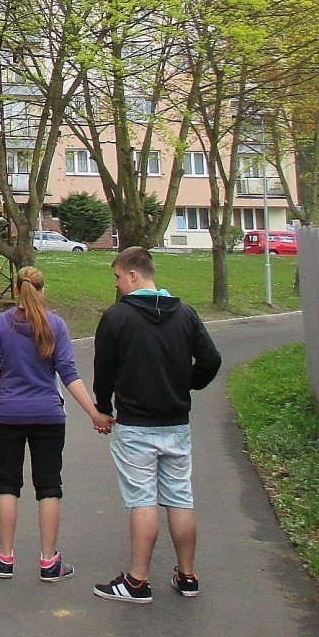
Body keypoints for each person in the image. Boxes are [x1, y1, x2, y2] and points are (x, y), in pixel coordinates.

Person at [92, 246, 222, 603]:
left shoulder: (116, 318)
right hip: (176, 422)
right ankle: (188, 575)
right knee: (180, 496)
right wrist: (188, 382)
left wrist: (103, 408)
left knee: (142, 499)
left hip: (136, 424)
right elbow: (211, 359)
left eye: (117, 277)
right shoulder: (185, 314)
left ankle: (137, 580)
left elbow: (103, 373)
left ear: (133, 275)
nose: (116, 285)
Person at [0, 265, 113, 583]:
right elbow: (68, 374)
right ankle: (49, 561)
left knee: (7, 484)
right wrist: (94, 412)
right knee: (49, 486)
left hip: (7, 415)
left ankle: (5, 559)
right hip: (49, 415)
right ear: (43, 290)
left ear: (16, 291)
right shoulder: (56, 325)